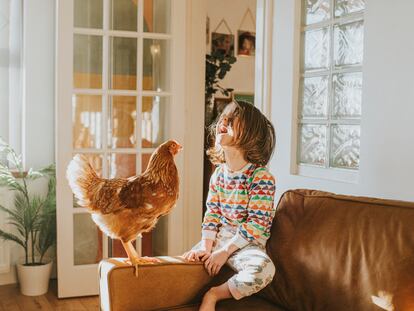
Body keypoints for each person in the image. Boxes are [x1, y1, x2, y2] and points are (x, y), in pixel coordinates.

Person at [183, 100, 276, 310]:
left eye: (233, 118)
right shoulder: (218, 175)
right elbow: (212, 215)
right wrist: (206, 247)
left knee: (264, 269)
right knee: (184, 263)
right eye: (223, 117)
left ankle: (214, 294)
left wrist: (225, 251)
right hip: (218, 240)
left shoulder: (260, 177)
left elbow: (257, 224)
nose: (223, 120)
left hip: (245, 245)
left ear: (250, 134)